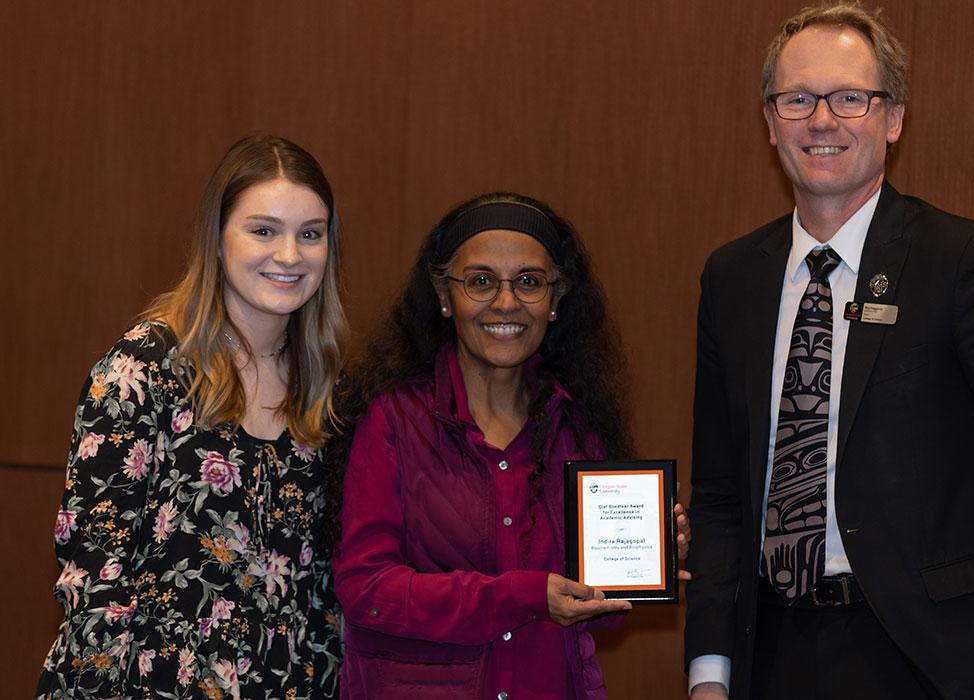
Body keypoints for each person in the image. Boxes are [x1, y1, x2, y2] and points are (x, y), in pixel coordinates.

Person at [684, 4, 974, 700]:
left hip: (943, 663)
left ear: (892, 118)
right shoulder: (732, 277)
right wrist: (708, 674)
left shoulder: (960, 262)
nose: (822, 120)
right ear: (770, 121)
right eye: (798, 99)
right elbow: (719, 495)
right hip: (774, 657)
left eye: (850, 98)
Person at [329, 192, 689, 699]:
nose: (505, 303)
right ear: (444, 295)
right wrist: (521, 595)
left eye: (529, 282)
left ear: (556, 299)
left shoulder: (576, 423)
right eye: (480, 282)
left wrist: (645, 567)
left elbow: (592, 612)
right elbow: (365, 590)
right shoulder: (393, 420)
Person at [38, 135, 347, 699]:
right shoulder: (145, 369)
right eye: (263, 230)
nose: (289, 255)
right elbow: (93, 577)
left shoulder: (328, 388)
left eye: (311, 234)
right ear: (217, 238)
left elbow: (321, 589)